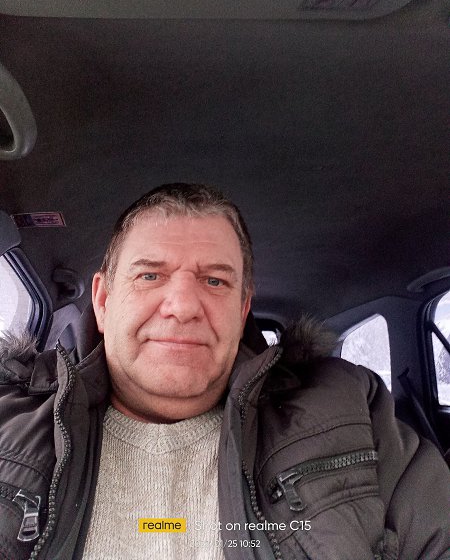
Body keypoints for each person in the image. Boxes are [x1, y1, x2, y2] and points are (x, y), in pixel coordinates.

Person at [0, 182, 449, 560]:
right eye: (150, 276)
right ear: (102, 301)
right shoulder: (8, 422)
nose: (183, 307)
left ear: (243, 308)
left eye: (215, 281)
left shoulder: (349, 412)